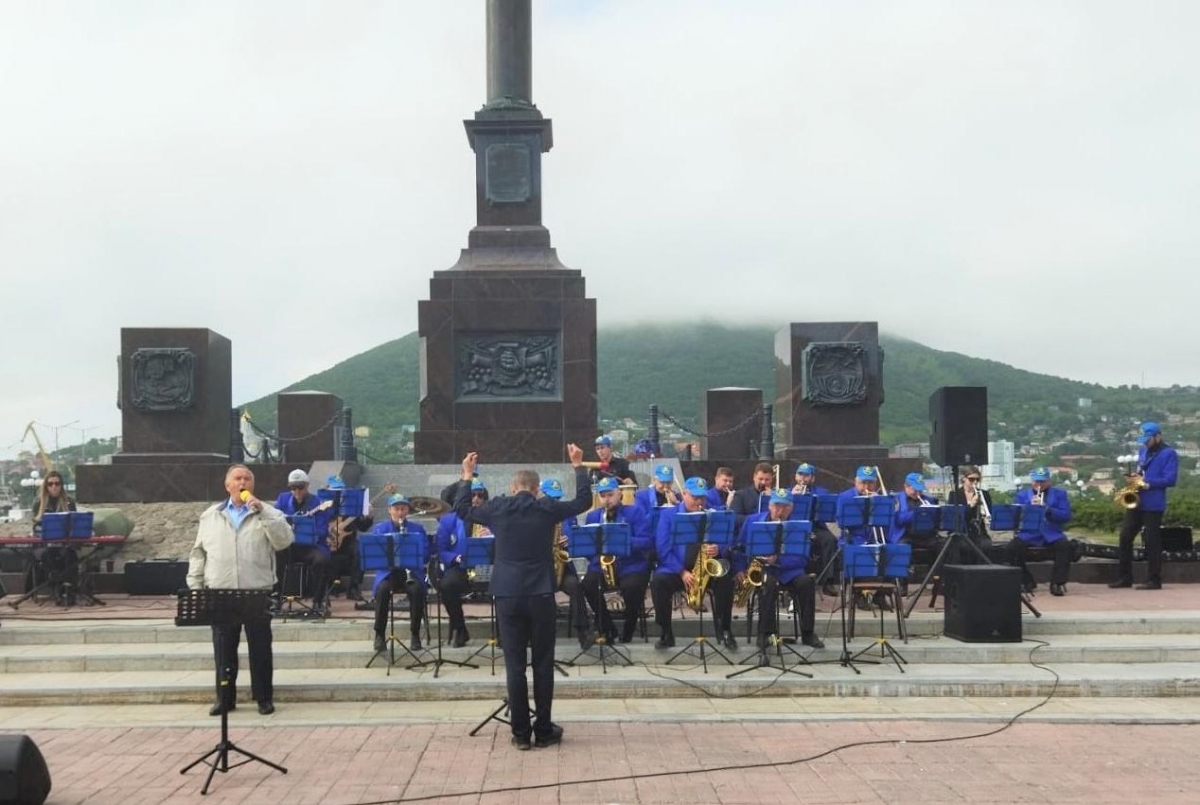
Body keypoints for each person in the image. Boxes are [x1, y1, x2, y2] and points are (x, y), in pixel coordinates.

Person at [454, 446, 591, 750]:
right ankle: (543, 730)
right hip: (540, 592)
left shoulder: (498, 507)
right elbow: (584, 501)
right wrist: (578, 467)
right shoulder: (547, 508)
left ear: (513, 488)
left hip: (507, 593)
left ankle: (520, 734)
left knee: (514, 665)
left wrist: (467, 475)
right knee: (542, 664)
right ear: (537, 488)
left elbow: (462, 509)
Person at [187, 464, 294, 716]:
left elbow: (284, 541)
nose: (242, 482)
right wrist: (195, 586)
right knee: (224, 648)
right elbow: (198, 552)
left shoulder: (269, 512)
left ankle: (263, 698)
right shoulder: (211, 515)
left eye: (247, 478)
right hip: (221, 591)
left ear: (252, 485)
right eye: (237, 478)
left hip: (256, 591)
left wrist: (264, 512)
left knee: (260, 648)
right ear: (228, 485)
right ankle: (225, 698)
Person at [650, 476, 741, 651]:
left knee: (725, 579)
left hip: (707, 567)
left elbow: (728, 540)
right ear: (684, 494)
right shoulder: (669, 515)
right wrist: (681, 571)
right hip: (678, 570)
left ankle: (726, 629)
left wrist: (718, 549)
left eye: (702, 497)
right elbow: (662, 547)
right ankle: (666, 632)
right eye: (695, 497)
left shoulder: (713, 514)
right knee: (658, 581)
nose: (699, 501)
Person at [738, 488, 825, 650]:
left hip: (789, 570)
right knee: (768, 584)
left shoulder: (799, 526)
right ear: (769, 506)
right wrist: (740, 569)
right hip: (762, 569)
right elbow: (740, 547)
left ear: (791, 508)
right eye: (777, 506)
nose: (780, 510)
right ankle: (765, 633)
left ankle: (808, 632)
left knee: (806, 583)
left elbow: (802, 557)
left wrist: (778, 560)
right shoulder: (753, 521)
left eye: (785, 507)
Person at [580, 476, 654, 644]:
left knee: (633, 587)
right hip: (601, 565)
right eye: (603, 496)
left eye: (610, 495)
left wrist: (624, 540)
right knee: (588, 585)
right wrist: (595, 555)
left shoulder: (634, 512)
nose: (607, 500)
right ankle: (607, 628)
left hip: (630, 565)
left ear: (619, 494)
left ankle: (628, 629)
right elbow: (587, 547)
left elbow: (648, 542)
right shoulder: (593, 517)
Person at [1111, 422, 1179, 591]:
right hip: (1137, 502)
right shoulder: (1143, 451)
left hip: (1154, 504)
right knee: (1125, 537)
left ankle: (1154, 580)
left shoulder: (1169, 454)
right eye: (1143, 440)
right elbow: (1142, 472)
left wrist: (1146, 483)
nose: (1145, 443)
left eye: (1147, 440)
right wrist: (1135, 477)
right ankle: (1125, 577)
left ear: (1158, 436)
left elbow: (1170, 480)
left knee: (1152, 541)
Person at [367, 494, 428, 652]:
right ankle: (379, 634)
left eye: (403, 509)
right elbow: (373, 554)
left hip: (410, 572)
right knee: (382, 591)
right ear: (389, 510)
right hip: (388, 573)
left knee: (416, 590)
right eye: (396, 509)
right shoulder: (380, 530)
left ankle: (415, 634)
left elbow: (426, 554)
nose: (400, 512)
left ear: (408, 510)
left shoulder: (417, 529)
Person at [435, 478, 490, 647]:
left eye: (480, 496)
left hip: (486, 567)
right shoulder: (448, 520)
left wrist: (491, 536)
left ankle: (504, 632)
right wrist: (455, 558)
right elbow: (441, 549)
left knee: (506, 583)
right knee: (447, 585)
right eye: (472, 495)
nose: (475, 499)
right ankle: (460, 628)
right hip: (461, 566)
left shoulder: (493, 517)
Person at [540, 478, 593, 648]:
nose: (555, 502)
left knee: (576, 587)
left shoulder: (567, 514)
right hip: (539, 567)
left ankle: (583, 631)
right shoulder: (535, 514)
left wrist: (568, 541)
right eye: (551, 498)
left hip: (560, 565)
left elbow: (577, 542)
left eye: (557, 498)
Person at [272, 469, 333, 614]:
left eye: (300, 487)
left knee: (321, 561)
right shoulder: (282, 499)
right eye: (293, 487)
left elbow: (323, 530)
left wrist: (306, 527)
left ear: (307, 486)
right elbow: (274, 520)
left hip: (311, 546)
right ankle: (276, 597)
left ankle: (318, 599)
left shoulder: (318, 503)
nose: (297, 491)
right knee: (275, 557)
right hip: (289, 545)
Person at [1008, 467, 1072, 596]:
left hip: (1051, 533)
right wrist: (1028, 507)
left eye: (1042, 482)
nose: (1039, 485)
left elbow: (1066, 516)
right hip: (1030, 533)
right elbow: (1015, 516)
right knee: (1011, 549)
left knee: (1065, 546)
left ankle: (1057, 583)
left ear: (1049, 481)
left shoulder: (1060, 494)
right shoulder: (1022, 495)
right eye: (1036, 481)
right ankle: (1026, 581)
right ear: (1032, 481)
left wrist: (1047, 509)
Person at [30, 470, 80, 606]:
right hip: (45, 545)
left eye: (57, 483)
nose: (54, 487)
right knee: (48, 556)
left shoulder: (69, 502)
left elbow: (75, 524)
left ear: (61, 485)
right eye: (50, 484)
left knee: (70, 555)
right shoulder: (38, 503)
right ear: (45, 486)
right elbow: (36, 527)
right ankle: (58, 590)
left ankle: (69, 591)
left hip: (65, 544)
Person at [789, 462, 839, 595]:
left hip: (815, 527)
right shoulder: (788, 492)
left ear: (812, 478)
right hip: (795, 529)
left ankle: (827, 581)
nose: (803, 479)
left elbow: (828, 511)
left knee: (830, 540)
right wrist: (792, 497)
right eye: (800, 475)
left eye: (806, 476)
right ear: (795, 476)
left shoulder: (821, 492)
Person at [325, 476, 373, 600]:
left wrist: (369, 517)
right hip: (328, 540)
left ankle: (354, 587)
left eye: (340, 491)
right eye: (335, 491)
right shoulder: (323, 505)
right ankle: (328, 586)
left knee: (360, 551)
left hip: (348, 542)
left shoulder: (351, 507)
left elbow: (362, 527)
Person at [946, 466, 994, 564]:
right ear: (964, 479)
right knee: (962, 546)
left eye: (977, 479)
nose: (975, 482)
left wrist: (982, 508)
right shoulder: (954, 495)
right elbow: (956, 516)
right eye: (971, 479)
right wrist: (971, 505)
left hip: (978, 531)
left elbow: (989, 512)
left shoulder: (984, 494)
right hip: (961, 531)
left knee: (986, 545)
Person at [728, 462, 775, 532]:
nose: (763, 482)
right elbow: (734, 518)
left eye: (767, 480)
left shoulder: (775, 496)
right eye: (760, 479)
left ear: (771, 479)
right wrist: (756, 519)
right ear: (754, 477)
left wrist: (770, 499)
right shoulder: (741, 495)